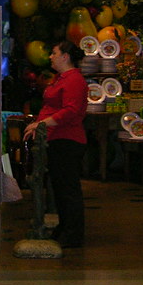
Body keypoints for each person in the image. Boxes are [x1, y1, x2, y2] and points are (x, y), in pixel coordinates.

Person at [23, 40, 88, 248]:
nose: (50, 57)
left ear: (65, 57)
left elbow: (70, 111)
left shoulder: (74, 80)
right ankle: (65, 227)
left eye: (54, 53)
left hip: (67, 139)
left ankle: (73, 233)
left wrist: (42, 123)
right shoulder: (62, 78)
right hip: (55, 138)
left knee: (68, 188)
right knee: (59, 187)